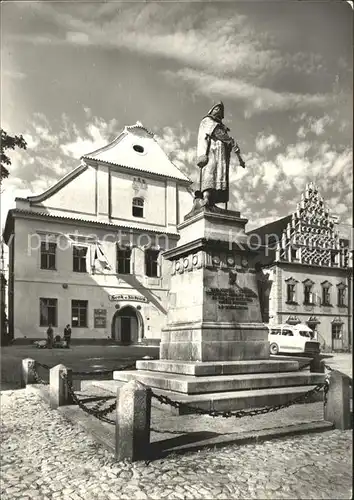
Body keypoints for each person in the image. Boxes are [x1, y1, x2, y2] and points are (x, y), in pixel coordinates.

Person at [196, 101, 245, 207]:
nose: (218, 111)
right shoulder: (207, 121)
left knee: (218, 175)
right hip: (211, 151)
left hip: (221, 153)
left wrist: (230, 144)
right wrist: (230, 141)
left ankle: (212, 200)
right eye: (216, 108)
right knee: (210, 169)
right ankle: (205, 197)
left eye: (220, 110)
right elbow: (216, 132)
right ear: (212, 110)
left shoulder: (221, 127)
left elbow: (223, 136)